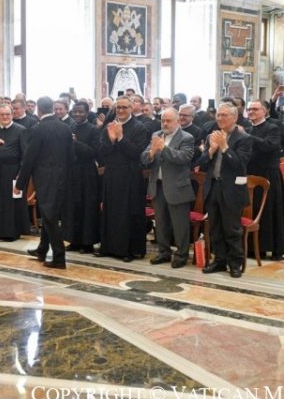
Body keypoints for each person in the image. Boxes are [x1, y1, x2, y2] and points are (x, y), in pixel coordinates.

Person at [15, 96, 73, 269]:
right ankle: (42, 250)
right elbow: (71, 156)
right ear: (52, 108)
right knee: (50, 215)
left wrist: (20, 183)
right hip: (63, 177)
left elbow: (29, 158)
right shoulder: (65, 128)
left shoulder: (37, 129)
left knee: (49, 217)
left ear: (39, 109)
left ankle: (59, 257)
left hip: (45, 178)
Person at [200, 103, 252, 278]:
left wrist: (224, 148)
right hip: (213, 187)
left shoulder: (244, 138)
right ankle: (219, 261)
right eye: (218, 115)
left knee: (232, 229)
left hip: (232, 190)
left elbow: (239, 165)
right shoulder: (212, 136)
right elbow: (202, 164)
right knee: (215, 228)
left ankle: (235, 263)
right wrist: (211, 150)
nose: (220, 118)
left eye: (224, 115)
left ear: (235, 118)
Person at [142, 108, 195, 268]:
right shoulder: (156, 135)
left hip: (177, 188)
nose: (165, 123)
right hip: (157, 186)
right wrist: (152, 152)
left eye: (168, 121)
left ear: (177, 121)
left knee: (180, 225)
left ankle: (181, 255)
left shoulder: (187, 137)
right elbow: (144, 158)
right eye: (163, 120)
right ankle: (163, 252)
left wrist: (163, 148)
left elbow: (183, 158)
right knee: (161, 222)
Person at [97, 96, 148, 261]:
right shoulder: (109, 126)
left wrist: (120, 138)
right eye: (118, 107)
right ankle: (108, 247)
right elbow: (101, 152)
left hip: (130, 176)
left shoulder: (139, 127)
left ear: (131, 108)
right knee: (110, 211)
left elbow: (137, 153)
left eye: (124, 107)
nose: (120, 110)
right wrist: (111, 141)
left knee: (128, 212)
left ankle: (128, 250)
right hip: (112, 174)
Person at [0, 104, 30, 241]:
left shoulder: (21, 130)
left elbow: (25, 155)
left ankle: (10, 233)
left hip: (12, 171)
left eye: (7, 114)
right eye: (2, 114)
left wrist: (21, 174)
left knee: (10, 203)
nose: (5, 117)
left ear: (12, 115)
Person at [246, 100, 284, 260]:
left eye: (255, 109)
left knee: (269, 211)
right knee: (252, 209)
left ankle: (273, 248)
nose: (251, 111)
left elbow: (268, 146)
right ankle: (254, 248)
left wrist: (247, 136)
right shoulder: (248, 129)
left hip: (268, 174)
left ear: (265, 111)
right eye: (249, 109)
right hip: (250, 174)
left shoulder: (272, 128)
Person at [63, 101, 100, 254]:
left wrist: (76, 143)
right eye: (75, 112)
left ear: (87, 112)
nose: (77, 114)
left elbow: (94, 152)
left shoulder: (94, 130)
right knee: (73, 208)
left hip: (87, 174)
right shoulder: (69, 128)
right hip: (72, 173)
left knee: (87, 208)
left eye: (81, 112)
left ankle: (87, 243)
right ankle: (74, 240)